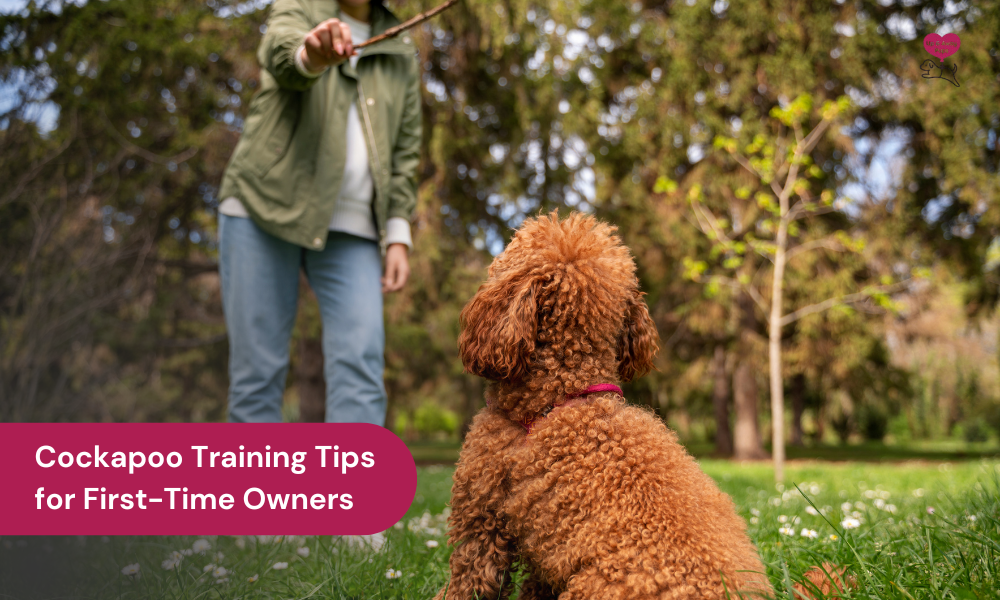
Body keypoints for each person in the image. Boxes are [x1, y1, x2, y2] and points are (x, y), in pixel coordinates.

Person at [216, 0, 420, 425]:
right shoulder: (301, 5)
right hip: (263, 206)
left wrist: (398, 232)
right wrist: (310, 55)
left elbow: (405, 150)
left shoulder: (400, 47)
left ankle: (355, 491)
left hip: (355, 227)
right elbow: (280, 52)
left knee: (362, 368)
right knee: (257, 375)